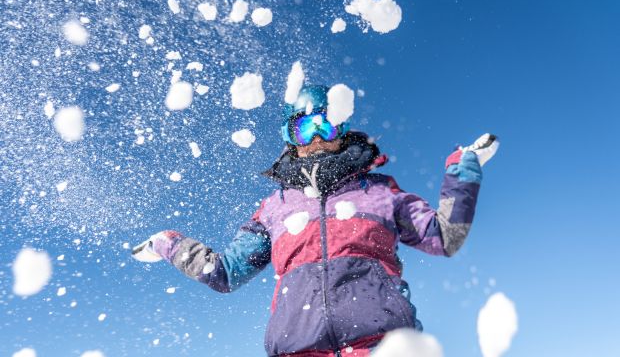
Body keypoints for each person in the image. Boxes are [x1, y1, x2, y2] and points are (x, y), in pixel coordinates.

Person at [132, 85, 499, 356]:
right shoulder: (274, 208)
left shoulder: (380, 192)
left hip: (383, 347)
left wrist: (462, 170)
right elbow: (225, 273)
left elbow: (442, 237)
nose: (317, 138)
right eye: (304, 129)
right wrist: (169, 243)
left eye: (327, 126)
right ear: (290, 139)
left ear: (341, 130)